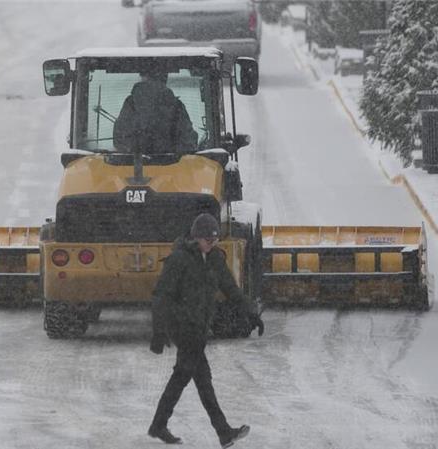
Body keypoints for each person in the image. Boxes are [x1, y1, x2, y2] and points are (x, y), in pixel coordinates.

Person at [147, 212, 264, 448]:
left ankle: (159, 425)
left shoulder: (215, 260)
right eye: (208, 240)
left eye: (215, 240)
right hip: (181, 326)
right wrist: (158, 332)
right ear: (196, 238)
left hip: (199, 326)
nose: (212, 244)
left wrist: (251, 312)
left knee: (187, 377)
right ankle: (223, 432)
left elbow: (231, 288)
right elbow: (161, 296)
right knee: (200, 379)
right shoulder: (179, 260)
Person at [113, 69, 198, 154]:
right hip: (173, 166)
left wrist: (138, 153)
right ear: (164, 79)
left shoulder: (131, 104)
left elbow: (121, 139)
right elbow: (188, 142)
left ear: (144, 77)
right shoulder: (176, 106)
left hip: (134, 165)